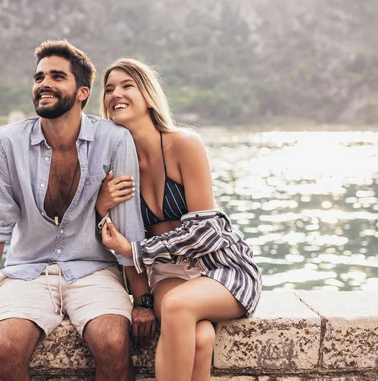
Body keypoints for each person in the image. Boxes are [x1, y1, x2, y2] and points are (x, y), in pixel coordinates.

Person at [0, 41, 156, 381]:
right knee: (5, 347)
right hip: (27, 271)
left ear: (82, 91)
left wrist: (143, 300)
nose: (44, 84)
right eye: (39, 77)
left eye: (56, 76)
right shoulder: (7, 143)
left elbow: (127, 223)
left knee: (113, 342)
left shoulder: (114, 140)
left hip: (94, 270)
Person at [96, 58, 262, 381]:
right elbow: (116, 238)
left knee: (175, 307)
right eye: (109, 89)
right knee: (201, 339)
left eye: (127, 85)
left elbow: (205, 233)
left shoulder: (185, 144)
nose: (116, 93)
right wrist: (102, 207)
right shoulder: (116, 163)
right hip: (165, 271)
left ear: (147, 95)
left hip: (220, 266)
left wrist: (136, 249)